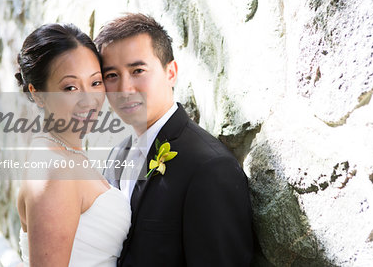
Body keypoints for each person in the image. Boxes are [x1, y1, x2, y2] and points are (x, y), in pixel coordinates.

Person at [95, 13, 255, 266]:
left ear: (171, 72)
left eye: (138, 70)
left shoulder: (209, 167)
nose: (124, 89)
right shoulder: (117, 155)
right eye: (112, 75)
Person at [15, 23, 131, 266]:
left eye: (96, 83)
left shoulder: (67, 153)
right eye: (70, 87)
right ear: (37, 94)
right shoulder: (55, 170)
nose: (88, 100)